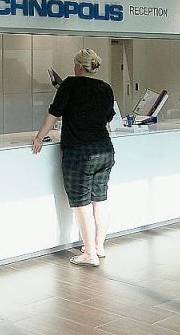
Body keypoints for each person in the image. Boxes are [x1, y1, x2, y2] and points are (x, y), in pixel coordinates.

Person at [31, 48, 115, 267]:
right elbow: (107, 118)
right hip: (105, 149)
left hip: (80, 152)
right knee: (100, 200)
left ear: (78, 66)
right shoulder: (105, 88)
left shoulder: (69, 84)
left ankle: (89, 254)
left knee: (81, 204)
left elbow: (54, 114)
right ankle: (99, 246)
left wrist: (39, 137)